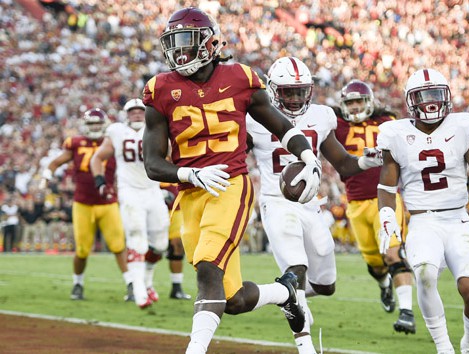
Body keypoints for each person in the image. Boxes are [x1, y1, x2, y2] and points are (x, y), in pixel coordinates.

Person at [141, 8, 322, 354]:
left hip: (230, 185)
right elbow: (152, 163)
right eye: (174, 43)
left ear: (210, 42)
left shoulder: (240, 77)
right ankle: (286, 293)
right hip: (190, 193)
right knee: (232, 299)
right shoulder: (159, 89)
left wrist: (307, 156)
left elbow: (281, 126)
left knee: (208, 269)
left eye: (187, 42)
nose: (179, 52)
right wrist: (190, 173)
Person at [247, 58, 384, 353]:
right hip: (276, 202)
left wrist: (366, 160)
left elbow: (343, 164)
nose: (295, 98)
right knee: (296, 267)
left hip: (311, 206)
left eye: (300, 91)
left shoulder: (321, 116)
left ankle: (284, 295)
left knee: (326, 285)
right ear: (273, 91)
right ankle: (305, 345)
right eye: (288, 92)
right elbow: (233, 157)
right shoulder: (254, 119)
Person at [377, 68, 469, 354]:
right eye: (423, 96)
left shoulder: (461, 126)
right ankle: (444, 348)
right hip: (422, 221)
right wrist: (386, 215)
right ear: (410, 101)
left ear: (446, 96)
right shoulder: (396, 133)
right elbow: (386, 184)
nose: (430, 102)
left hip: (457, 219)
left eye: (435, 94)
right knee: (425, 274)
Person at [332, 79, 416, 334]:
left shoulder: (387, 121)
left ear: (369, 102)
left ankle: (407, 312)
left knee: (393, 254)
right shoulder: (336, 124)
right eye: (350, 102)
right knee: (375, 264)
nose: (355, 106)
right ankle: (384, 286)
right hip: (355, 203)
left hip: (386, 199)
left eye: (359, 101)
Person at [41, 108, 132, 300]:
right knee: (82, 249)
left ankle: (131, 284)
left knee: (118, 245)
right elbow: (55, 163)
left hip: (108, 202)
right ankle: (78, 284)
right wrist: (47, 175)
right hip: (82, 202)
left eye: (98, 123)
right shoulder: (75, 143)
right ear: (85, 125)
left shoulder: (113, 142)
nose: (95, 127)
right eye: (91, 124)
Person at [90, 98, 169, 309]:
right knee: (136, 237)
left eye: (140, 110)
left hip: (153, 190)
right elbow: (97, 158)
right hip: (129, 191)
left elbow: (171, 157)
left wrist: (171, 186)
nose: (136, 114)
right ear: (126, 114)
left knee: (161, 244)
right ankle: (139, 290)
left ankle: (148, 281)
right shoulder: (117, 131)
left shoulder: (158, 128)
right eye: (132, 111)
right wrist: (100, 181)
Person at [160, 182, 192, 300]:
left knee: (177, 246)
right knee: (154, 249)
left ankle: (176, 288)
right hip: (156, 209)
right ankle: (145, 285)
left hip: (177, 208)